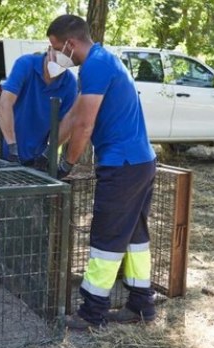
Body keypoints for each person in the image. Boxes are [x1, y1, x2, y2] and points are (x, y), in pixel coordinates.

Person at [47, 14, 157, 329]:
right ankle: (141, 305)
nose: (54, 54)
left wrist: (67, 163)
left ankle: (93, 313)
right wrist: (50, 148)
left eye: (55, 47)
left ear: (70, 43)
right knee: (135, 237)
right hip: (139, 162)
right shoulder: (100, 61)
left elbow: (84, 125)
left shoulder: (95, 66)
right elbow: (73, 114)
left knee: (106, 237)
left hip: (122, 165)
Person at [0, 43, 78, 170]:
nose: (59, 65)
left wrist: (49, 151)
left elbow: (67, 124)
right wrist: (12, 147)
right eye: (57, 59)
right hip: (9, 155)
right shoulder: (25, 64)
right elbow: (4, 105)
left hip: (38, 159)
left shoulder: (70, 83)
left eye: (64, 63)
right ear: (50, 49)